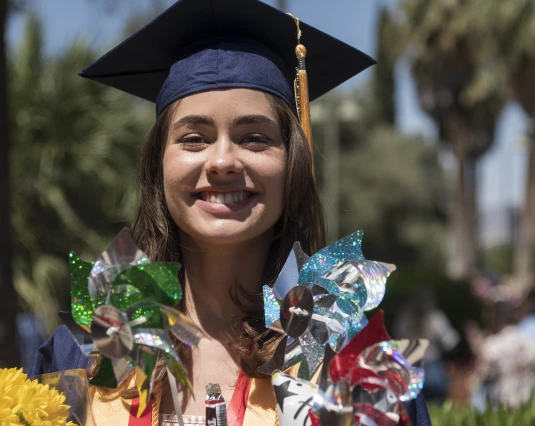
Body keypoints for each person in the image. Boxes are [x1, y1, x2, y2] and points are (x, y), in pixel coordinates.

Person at [31, 1, 432, 425]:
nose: (222, 160)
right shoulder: (85, 352)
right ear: (158, 165)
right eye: (194, 138)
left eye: (255, 138)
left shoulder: (348, 361)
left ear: (292, 165)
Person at [393, 284, 459, 402]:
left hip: (410, 368)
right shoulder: (435, 318)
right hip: (432, 368)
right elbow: (451, 342)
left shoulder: (405, 318)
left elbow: (397, 340)